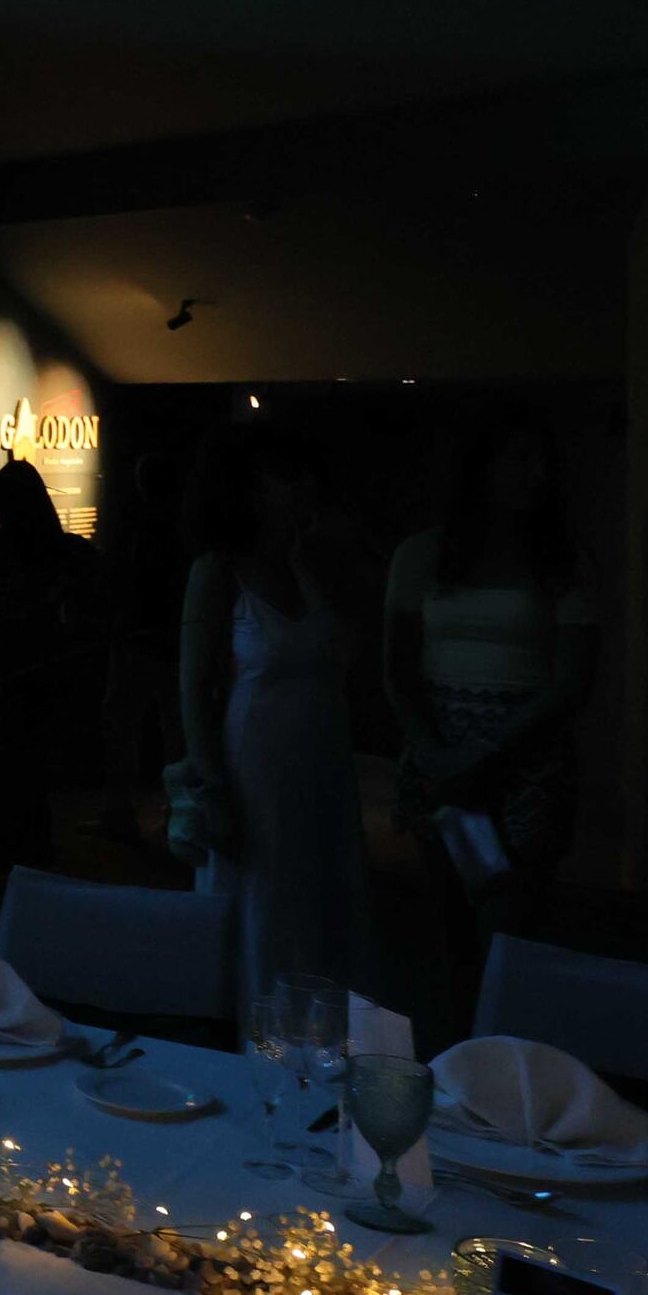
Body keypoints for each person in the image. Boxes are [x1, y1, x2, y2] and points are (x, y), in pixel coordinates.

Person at [178, 426, 377, 1007]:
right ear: (247, 487)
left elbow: (355, 645)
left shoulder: (309, 564)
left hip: (322, 760)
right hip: (256, 765)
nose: (303, 485)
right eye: (284, 475)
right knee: (267, 902)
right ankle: (265, 1036)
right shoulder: (219, 570)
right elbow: (193, 685)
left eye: (303, 473)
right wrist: (212, 786)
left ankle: (326, 1032)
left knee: (323, 897)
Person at [383, 400, 599, 929]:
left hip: (527, 754)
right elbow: (397, 668)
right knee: (450, 922)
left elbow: (573, 679)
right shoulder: (421, 555)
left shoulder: (563, 562)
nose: (538, 475)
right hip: (441, 745)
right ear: (482, 468)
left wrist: (489, 752)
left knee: (511, 924)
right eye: (521, 459)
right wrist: (435, 755)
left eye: (544, 461)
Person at [0, 456, 99, 872]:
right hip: (47, 675)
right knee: (34, 774)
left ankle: (9, 857)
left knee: (6, 775)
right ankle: (35, 855)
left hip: (4, 678)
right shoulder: (67, 552)